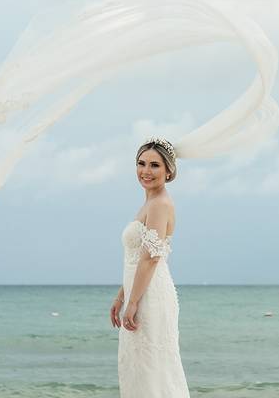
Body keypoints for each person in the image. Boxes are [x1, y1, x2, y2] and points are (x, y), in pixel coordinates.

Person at [111, 137, 190, 397]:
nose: (146, 171)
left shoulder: (160, 204)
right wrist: (121, 295)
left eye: (155, 165)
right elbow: (135, 259)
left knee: (153, 372)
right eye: (141, 163)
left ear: (169, 171)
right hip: (139, 291)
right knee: (139, 369)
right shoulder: (149, 203)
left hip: (149, 297)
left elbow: (151, 258)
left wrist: (132, 302)